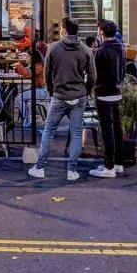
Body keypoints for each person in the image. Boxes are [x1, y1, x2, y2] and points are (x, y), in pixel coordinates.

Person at [28, 17, 96, 182]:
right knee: (76, 133)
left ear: (64, 30)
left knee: (48, 131)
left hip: (59, 95)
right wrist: (85, 91)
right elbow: (92, 77)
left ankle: (40, 167)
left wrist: (52, 91)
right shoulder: (86, 50)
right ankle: (72, 170)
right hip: (79, 95)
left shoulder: (53, 48)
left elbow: (47, 73)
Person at [89, 20, 126, 179]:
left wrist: (92, 87)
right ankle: (118, 163)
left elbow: (94, 74)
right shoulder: (120, 48)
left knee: (106, 130)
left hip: (103, 92)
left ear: (101, 32)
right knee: (117, 128)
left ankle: (108, 167)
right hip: (117, 91)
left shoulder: (101, 51)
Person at [14, 51, 47, 128]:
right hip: (40, 90)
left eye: (27, 56)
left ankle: (27, 117)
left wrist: (19, 66)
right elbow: (27, 73)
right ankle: (28, 117)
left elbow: (29, 74)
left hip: (43, 91)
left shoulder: (39, 65)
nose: (26, 58)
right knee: (21, 97)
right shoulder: (37, 65)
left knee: (19, 98)